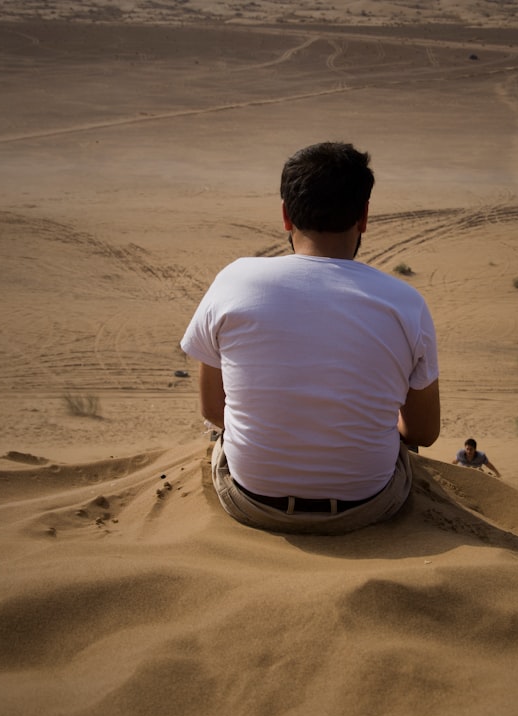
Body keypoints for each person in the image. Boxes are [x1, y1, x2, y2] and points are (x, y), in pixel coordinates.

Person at [180, 141, 440, 534]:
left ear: (286, 216)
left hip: (251, 501)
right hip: (367, 506)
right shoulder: (405, 302)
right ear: (364, 216)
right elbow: (423, 432)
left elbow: (214, 410)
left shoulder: (234, 280)